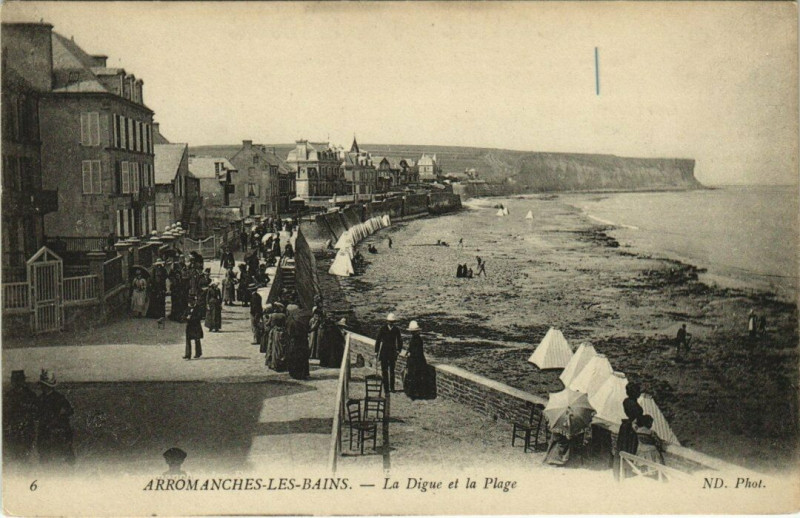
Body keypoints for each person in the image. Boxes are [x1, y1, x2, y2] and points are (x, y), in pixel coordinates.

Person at [36, 369, 75, 466]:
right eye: (42, 385)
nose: (42, 387)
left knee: (61, 460)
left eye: (43, 385)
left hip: (58, 434)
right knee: (45, 460)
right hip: (45, 434)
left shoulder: (59, 398)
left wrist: (59, 417)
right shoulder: (40, 399)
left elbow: (70, 411)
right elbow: (37, 415)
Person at [3, 370, 38, 463]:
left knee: (25, 457)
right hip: (12, 431)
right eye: (15, 381)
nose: (17, 383)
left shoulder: (31, 395)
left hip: (26, 431)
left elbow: (35, 413)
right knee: (14, 456)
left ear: (23, 381)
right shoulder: (8, 395)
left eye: (19, 380)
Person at [614, 382, 644, 480]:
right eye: (638, 391)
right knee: (630, 448)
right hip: (631, 428)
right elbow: (637, 417)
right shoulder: (633, 403)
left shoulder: (626, 401)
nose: (640, 393)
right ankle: (626, 472)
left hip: (626, 427)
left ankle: (621, 471)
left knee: (623, 448)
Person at [402, 321, 436, 400]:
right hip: (416, 361)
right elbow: (411, 348)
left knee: (416, 377)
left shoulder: (417, 340)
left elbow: (417, 351)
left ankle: (415, 394)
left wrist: (410, 354)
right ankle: (414, 393)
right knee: (415, 377)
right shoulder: (415, 338)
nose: (412, 333)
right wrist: (408, 352)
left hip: (416, 361)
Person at [374, 313, 403, 393]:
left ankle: (392, 388)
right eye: (390, 321)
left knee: (392, 371)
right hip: (384, 352)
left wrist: (398, 350)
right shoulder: (383, 329)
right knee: (384, 371)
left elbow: (400, 340)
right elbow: (378, 340)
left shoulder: (396, 329)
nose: (391, 323)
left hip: (392, 353)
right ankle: (386, 388)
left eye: (392, 321)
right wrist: (376, 351)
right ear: (387, 321)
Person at [286, 305, 311, 380]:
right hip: (301, 341)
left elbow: (289, 332)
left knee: (296, 358)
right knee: (300, 358)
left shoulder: (291, 320)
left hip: (295, 342)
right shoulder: (298, 320)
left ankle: (296, 373)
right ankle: (301, 373)